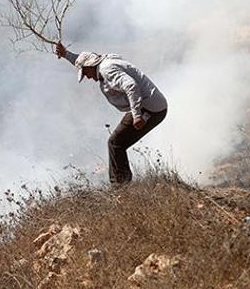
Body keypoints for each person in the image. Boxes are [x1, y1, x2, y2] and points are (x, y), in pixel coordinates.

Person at [55, 43, 168, 184]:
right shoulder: (104, 62)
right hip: (150, 105)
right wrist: (66, 54)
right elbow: (82, 60)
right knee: (116, 142)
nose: (88, 77)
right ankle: (122, 183)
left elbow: (131, 86)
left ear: (90, 67)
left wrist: (137, 115)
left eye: (85, 73)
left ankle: (120, 187)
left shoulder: (107, 70)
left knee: (116, 143)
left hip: (150, 109)